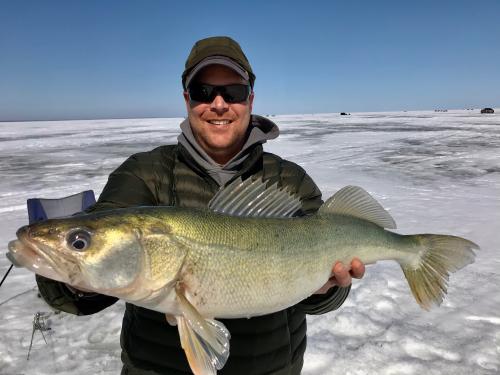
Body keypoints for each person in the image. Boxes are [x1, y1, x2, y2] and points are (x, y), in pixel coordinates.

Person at [36, 36, 365, 375]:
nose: (219, 104)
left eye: (233, 92)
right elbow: (88, 283)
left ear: (250, 99)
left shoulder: (290, 181)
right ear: (186, 99)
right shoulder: (144, 173)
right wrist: (72, 276)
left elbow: (326, 298)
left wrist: (325, 288)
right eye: (203, 92)